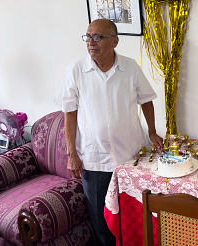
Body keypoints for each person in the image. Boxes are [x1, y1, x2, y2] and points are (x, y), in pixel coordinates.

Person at [55, 18, 163, 246]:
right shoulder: (76, 70)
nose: (91, 42)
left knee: (135, 217)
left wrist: (152, 131)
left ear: (114, 41)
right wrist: (71, 154)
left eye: (98, 37)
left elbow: (146, 100)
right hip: (95, 163)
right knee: (102, 222)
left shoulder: (130, 67)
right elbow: (70, 114)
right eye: (88, 37)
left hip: (131, 158)